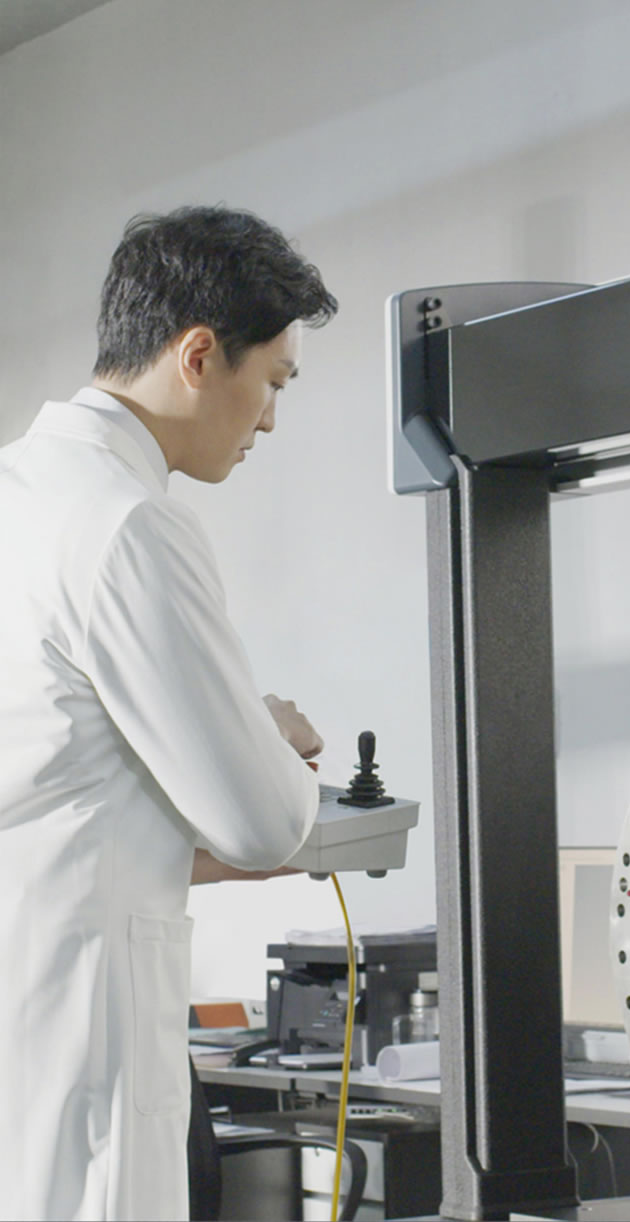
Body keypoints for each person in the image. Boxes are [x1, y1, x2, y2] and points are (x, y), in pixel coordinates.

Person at [0, 206, 339, 1221]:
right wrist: (267, 733)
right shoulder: (129, 523)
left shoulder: (19, 493)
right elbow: (265, 823)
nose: (269, 419)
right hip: (87, 1054)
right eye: (272, 382)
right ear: (198, 356)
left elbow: (59, 786)